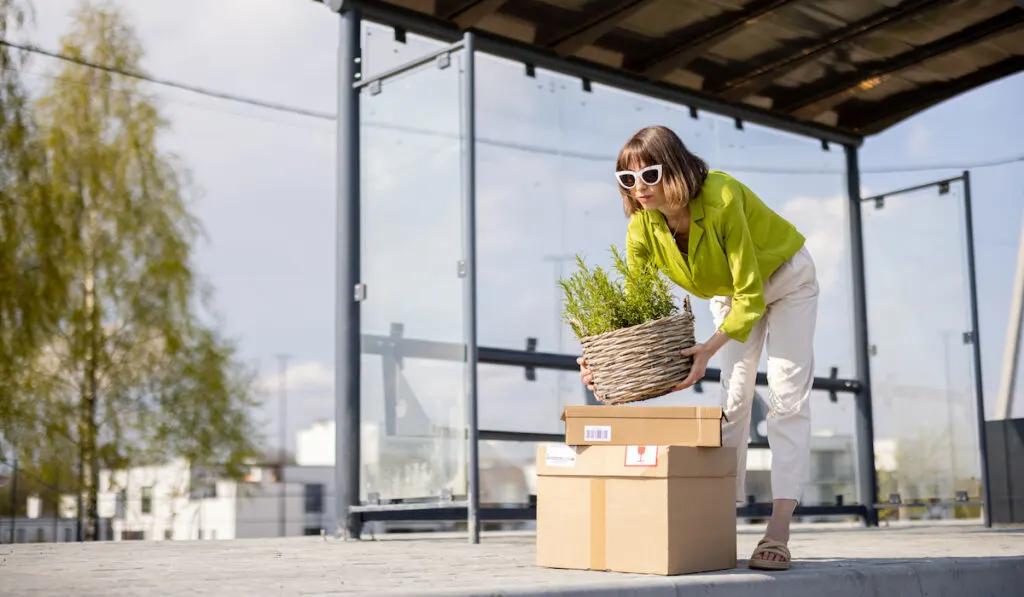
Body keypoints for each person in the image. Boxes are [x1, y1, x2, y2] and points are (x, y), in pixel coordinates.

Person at [577, 125, 819, 571]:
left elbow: (752, 294)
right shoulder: (642, 228)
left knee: (786, 397)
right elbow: (637, 309)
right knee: (732, 399)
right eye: (626, 180)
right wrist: (600, 358)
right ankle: (717, 519)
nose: (639, 188)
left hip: (786, 280)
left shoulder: (722, 197)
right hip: (731, 294)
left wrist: (707, 348)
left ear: (675, 167)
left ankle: (778, 529)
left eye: (648, 174)